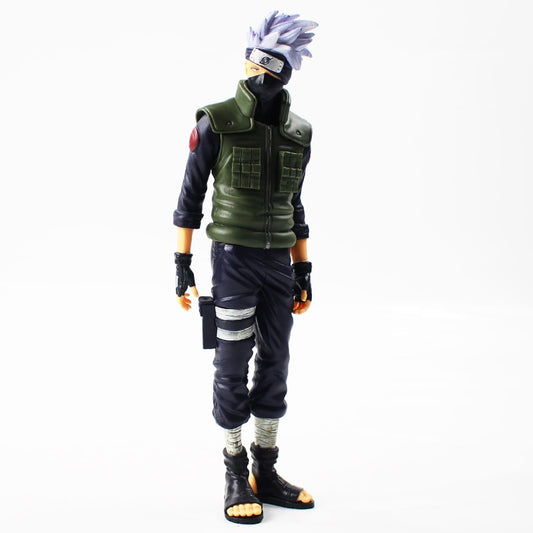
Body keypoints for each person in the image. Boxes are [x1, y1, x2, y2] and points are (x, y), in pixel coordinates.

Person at [173, 11, 318, 524]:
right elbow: (190, 199)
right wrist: (182, 265)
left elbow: (295, 206)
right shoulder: (215, 122)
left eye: (273, 68)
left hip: (278, 263)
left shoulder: (299, 132)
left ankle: (266, 470)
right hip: (232, 261)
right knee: (231, 362)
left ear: (287, 72)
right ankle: (235, 471)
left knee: (275, 363)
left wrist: (302, 269)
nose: (261, 77)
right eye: (256, 65)